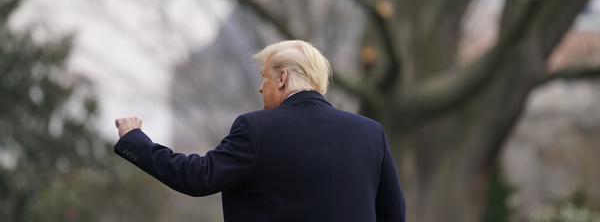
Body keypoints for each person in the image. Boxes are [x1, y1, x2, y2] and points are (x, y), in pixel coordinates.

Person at [114, 40, 406, 222]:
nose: (260, 86)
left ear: (283, 79)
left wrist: (135, 142)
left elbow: (197, 177)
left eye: (265, 76)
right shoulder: (371, 133)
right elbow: (393, 214)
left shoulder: (255, 129)